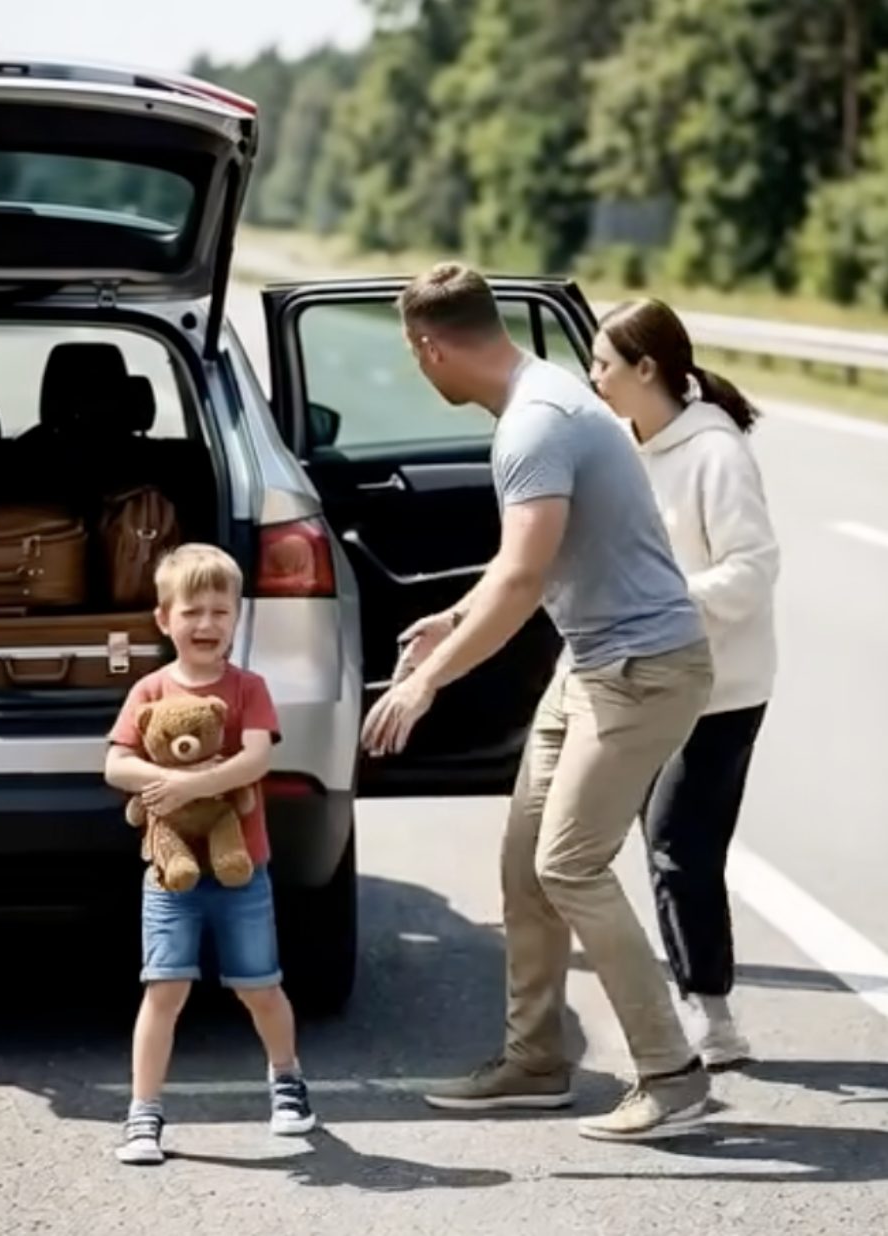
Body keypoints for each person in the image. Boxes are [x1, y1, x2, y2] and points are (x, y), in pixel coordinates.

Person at [362, 263, 716, 1141]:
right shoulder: (543, 395)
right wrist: (449, 619)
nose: (420, 370)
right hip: (591, 665)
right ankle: (536, 1060)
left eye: (416, 358)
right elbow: (533, 559)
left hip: (642, 669)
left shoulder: (532, 426)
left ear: (429, 345)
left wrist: (424, 681)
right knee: (527, 862)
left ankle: (671, 1073)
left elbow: (522, 580)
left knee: (569, 866)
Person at [592, 298, 779, 1070]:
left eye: (603, 362)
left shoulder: (715, 454)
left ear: (647, 369)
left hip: (718, 689)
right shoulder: (621, 445)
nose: (592, 376)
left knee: (679, 847)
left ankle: (713, 1015)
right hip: (642, 678)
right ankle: (697, 999)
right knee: (659, 845)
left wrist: (665, 601)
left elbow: (754, 568)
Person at [105, 543, 315, 1165]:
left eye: (220, 611)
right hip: (169, 877)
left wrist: (192, 784)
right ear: (164, 619)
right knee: (163, 990)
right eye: (192, 611)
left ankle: (288, 1081)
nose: (206, 624)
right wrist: (156, 779)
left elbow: (255, 758)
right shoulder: (148, 689)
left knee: (259, 987)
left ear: (237, 616)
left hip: (240, 867)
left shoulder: (248, 688)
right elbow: (115, 762)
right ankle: (143, 1114)